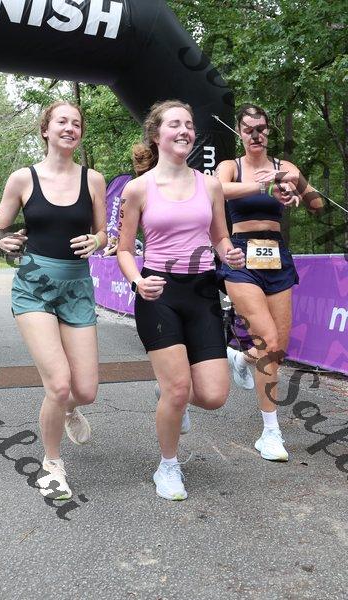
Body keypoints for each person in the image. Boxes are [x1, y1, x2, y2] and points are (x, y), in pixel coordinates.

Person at [117, 99, 245, 501]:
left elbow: (219, 236)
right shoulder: (138, 189)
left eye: (189, 124)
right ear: (156, 134)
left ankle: (173, 393)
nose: (185, 130)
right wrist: (138, 281)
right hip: (159, 292)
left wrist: (230, 253)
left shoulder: (210, 185)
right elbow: (124, 249)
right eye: (175, 124)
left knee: (213, 396)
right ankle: (168, 466)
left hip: (202, 292)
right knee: (176, 388)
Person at [0, 101, 107, 500]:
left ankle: (70, 409)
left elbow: (104, 233)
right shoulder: (23, 178)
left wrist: (96, 240)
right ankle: (52, 464)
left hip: (77, 287)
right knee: (58, 384)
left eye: (76, 123)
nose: (70, 127)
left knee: (85, 390)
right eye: (62, 121)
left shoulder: (93, 180)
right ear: (46, 129)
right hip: (33, 285)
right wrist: (2, 241)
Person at [216, 103, 323, 462]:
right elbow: (216, 190)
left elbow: (317, 204)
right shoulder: (231, 167)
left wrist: (295, 186)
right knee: (268, 339)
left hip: (277, 256)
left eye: (261, 128)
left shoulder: (284, 167)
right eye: (248, 129)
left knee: (276, 350)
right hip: (241, 257)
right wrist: (263, 183)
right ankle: (270, 432)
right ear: (240, 133)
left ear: (268, 131)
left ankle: (242, 357)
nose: (256, 135)